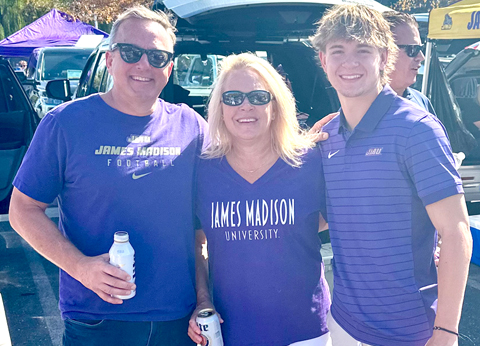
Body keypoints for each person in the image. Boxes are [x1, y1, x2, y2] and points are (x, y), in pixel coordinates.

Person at [9, 6, 207, 345]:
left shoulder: (191, 128)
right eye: (131, 52)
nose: (145, 65)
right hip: (97, 321)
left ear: (170, 68)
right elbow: (22, 210)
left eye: (158, 57)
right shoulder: (65, 124)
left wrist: (204, 300)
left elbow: (201, 230)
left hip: (178, 322)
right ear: (110, 60)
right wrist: (80, 267)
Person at [310, 4, 472, 346]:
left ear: (384, 57)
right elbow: (328, 219)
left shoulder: (417, 129)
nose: (350, 63)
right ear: (323, 60)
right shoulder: (328, 136)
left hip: (411, 332)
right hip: (342, 324)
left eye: (362, 50)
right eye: (338, 51)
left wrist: (446, 331)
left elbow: (456, 231)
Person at [187, 53, 331, 346]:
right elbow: (197, 240)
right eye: (233, 97)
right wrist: (202, 300)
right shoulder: (201, 171)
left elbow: (338, 220)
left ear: (276, 106)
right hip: (232, 330)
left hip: (306, 331)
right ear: (220, 107)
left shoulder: (311, 162)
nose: (245, 106)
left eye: (257, 96)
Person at [382, 11, 436, 115]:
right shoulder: (355, 105)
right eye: (413, 49)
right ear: (384, 53)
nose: (421, 57)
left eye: (421, 48)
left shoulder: (422, 101)